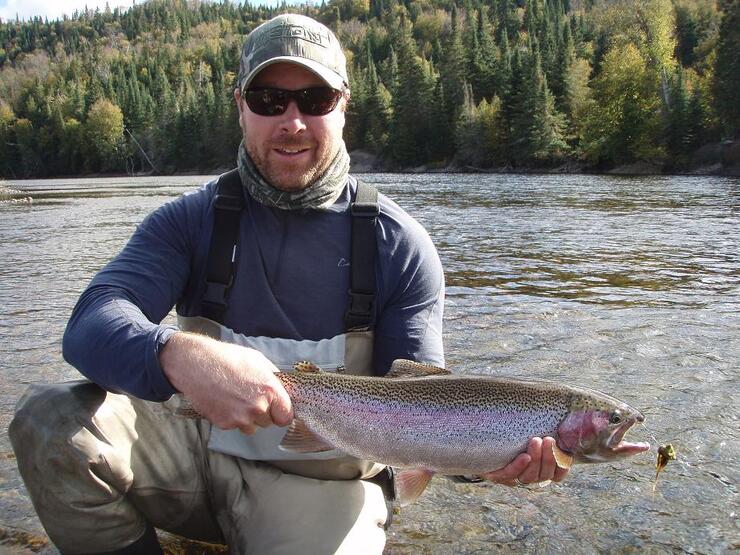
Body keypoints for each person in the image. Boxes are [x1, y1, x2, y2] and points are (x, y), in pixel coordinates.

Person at [9, 13, 568, 555]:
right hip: (193, 457)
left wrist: (491, 459)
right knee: (52, 423)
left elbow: (425, 409)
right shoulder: (188, 220)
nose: (292, 121)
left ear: (344, 106)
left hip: (317, 484)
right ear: (241, 108)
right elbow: (90, 324)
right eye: (269, 100)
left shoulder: (399, 245)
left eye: (316, 100)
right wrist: (179, 354)